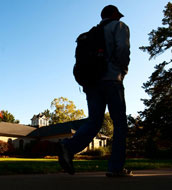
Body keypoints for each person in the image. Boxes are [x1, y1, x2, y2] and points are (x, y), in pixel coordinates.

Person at [58, 5, 132, 177]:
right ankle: (116, 168)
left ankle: (68, 147)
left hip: (91, 83)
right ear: (113, 14)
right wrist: (123, 70)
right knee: (120, 123)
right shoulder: (119, 26)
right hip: (112, 79)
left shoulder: (91, 33)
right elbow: (122, 48)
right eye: (118, 15)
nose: (119, 18)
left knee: (95, 121)